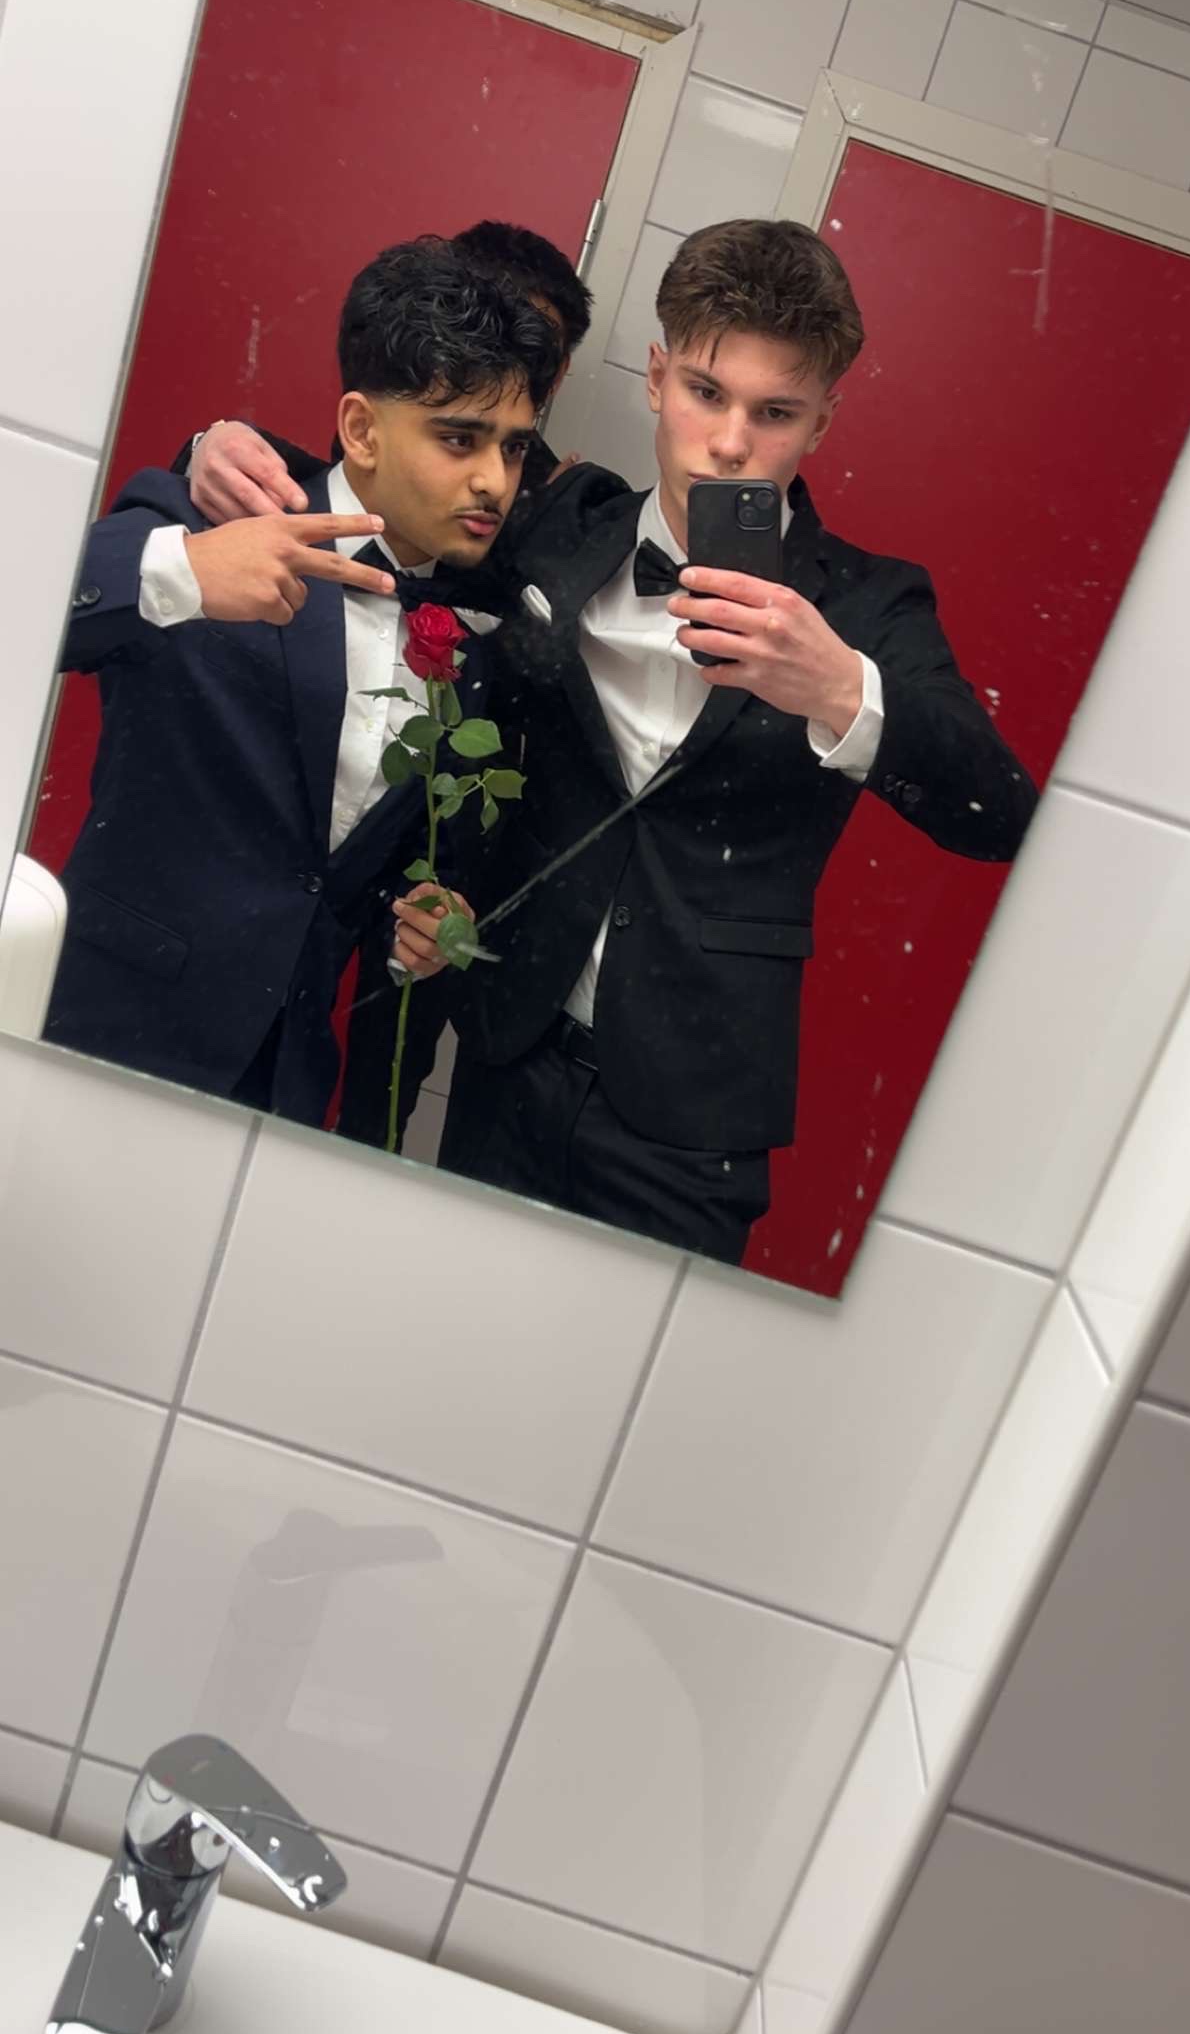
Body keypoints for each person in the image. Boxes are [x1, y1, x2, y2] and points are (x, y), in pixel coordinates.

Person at [395, 218, 1040, 1264]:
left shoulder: (869, 607)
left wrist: (840, 689)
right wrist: (219, 453)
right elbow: (394, 520)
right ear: (656, 379)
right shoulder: (564, 522)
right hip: (507, 1045)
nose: (731, 444)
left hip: (693, 1118)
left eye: (775, 412)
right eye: (706, 392)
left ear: (822, 422)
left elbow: (1000, 815)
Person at [45, 238, 559, 1125]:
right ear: (360, 429)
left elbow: (344, 870)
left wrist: (415, 925)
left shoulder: (467, 648)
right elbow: (38, 612)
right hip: (102, 1033)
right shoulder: (207, 520)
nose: (494, 481)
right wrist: (184, 569)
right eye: (459, 438)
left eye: (514, 449)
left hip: (282, 1083)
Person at [174, 220, 593, 1148]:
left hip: (392, 931)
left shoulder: (551, 513)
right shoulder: (267, 497)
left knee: (371, 1114)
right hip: (158, 982)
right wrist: (200, 457)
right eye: (462, 431)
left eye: (535, 362)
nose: (493, 478)